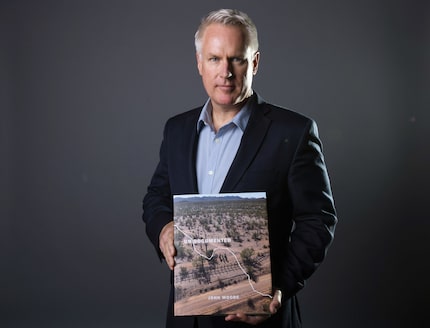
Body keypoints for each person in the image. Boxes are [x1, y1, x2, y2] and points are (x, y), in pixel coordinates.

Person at [142, 8, 337, 328]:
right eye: (215, 59)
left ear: (255, 62)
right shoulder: (176, 130)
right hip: (186, 317)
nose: (226, 72)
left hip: (260, 316)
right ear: (199, 63)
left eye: (237, 59)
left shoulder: (293, 132)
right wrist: (163, 226)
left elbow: (317, 221)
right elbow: (156, 197)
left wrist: (278, 289)